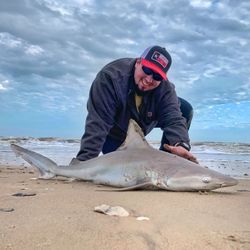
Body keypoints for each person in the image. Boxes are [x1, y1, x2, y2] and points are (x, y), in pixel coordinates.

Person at [76, 45, 197, 163]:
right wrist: (84, 162)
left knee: (185, 109)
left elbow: (173, 118)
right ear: (138, 62)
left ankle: (164, 164)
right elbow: (99, 122)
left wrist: (181, 144)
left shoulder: (165, 89)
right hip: (114, 135)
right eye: (147, 70)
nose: (149, 79)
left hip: (139, 131)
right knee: (122, 173)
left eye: (157, 76)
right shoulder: (110, 78)